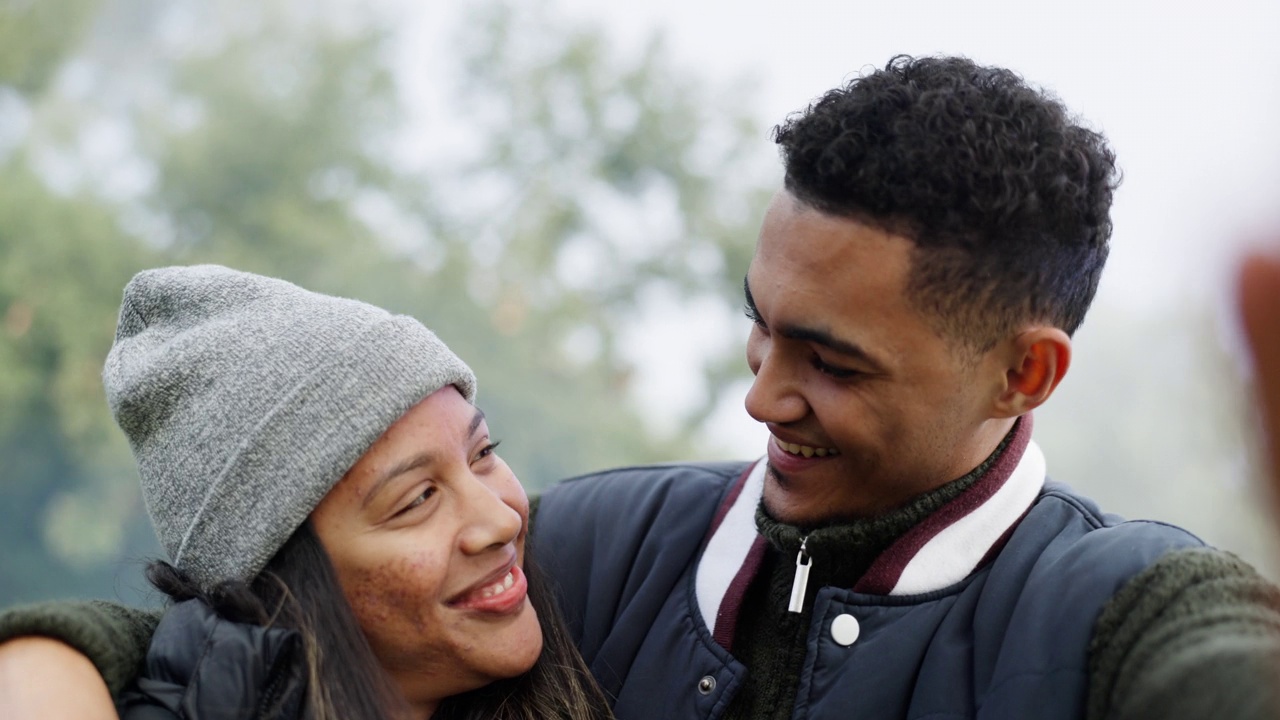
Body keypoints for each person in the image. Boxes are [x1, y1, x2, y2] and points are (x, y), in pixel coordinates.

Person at [3, 54, 1280, 719]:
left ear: (1025, 372)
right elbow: (259, 620)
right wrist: (54, 660)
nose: (762, 397)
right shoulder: (597, 550)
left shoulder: (1121, 609)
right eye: (758, 329)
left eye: (830, 362)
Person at [0, 264, 613, 719]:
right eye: (417, 499)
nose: (501, 521)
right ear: (283, 578)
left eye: (482, 455)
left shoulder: (613, 593)